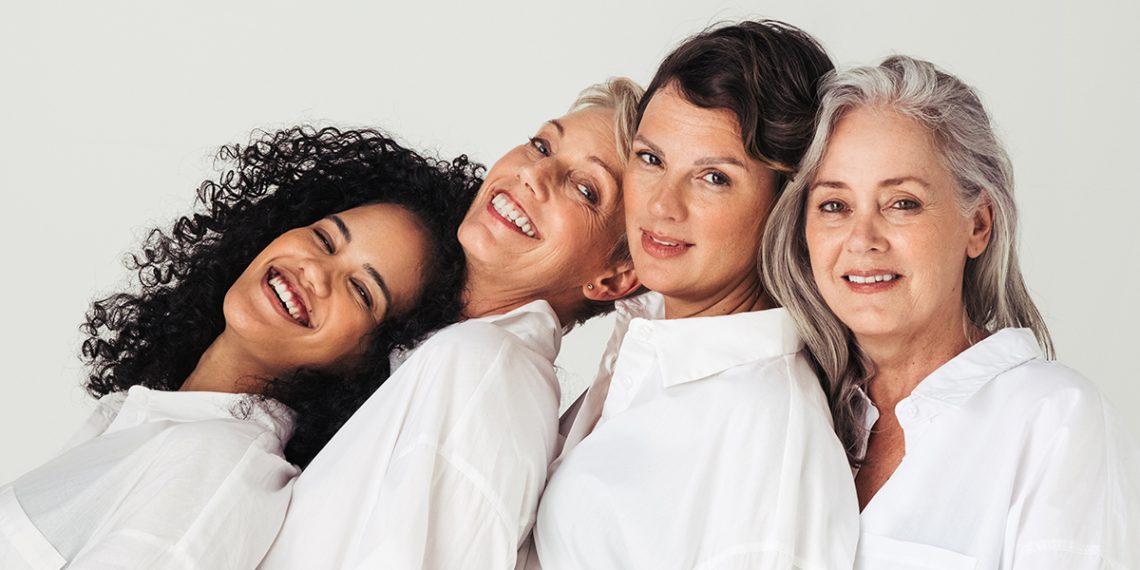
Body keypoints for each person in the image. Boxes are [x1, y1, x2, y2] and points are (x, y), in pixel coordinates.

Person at [0, 126, 476, 569]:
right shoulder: (155, 418)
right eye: (324, 238)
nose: (315, 270)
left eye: (361, 291)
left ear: (367, 363)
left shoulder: (214, 465)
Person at [762, 55, 1140, 569]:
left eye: (902, 203)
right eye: (834, 205)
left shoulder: (1055, 420)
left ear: (978, 225)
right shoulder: (793, 412)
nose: (862, 239)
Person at [259, 78, 643, 569]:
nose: (534, 174)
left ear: (613, 278)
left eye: (585, 189)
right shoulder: (427, 348)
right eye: (541, 145)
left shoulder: (484, 369)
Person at [533, 21, 859, 569]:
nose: (662, 205)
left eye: (714, 178)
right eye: (651, 159)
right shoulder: (654, 345)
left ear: (787, 203)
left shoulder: (767, 437)